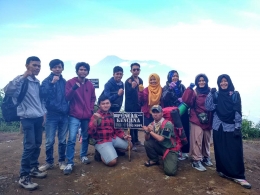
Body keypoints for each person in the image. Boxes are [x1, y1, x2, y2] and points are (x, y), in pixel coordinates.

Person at [4, 56, 47, 190]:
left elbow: (39, 100)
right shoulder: (21, 80)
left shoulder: (37, 82)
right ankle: (24, 177)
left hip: (38, 117)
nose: (37, 68)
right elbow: (8, 90)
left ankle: (34, 168)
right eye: (34, 65)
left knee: (37, 144)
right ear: (27, 65)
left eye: (39, 66)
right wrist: (23, 76)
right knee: (29, 146)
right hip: (26, 118)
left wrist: (43, 113)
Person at [205, 74, 251, 189]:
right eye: (221, 81)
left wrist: (237, 127)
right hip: (218, 126)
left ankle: (238, 176)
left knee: (234, 150)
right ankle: (222, 170)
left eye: (225, 81)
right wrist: (210, 94)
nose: (223, 83)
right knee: (220, 149)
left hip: (231, 126)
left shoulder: (235, 95)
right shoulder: (216, 95)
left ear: (229, 82)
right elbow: (209, 107)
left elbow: (237, 111)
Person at [64, 62, 96, 175]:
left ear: (87, 72)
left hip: (86, 115)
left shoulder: (90, 85)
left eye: (85, 70)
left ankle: (83, 156)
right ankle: (69, 162)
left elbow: (93, 98)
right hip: (74, 115)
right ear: (77, 71)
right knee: (72, 138)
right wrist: (74, 88)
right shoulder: (70, 82)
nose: (83, 71)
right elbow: (67, 97)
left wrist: (91, 109)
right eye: (81, 69)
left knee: (86, 136)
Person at [39, 59, 69, 171]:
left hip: (64, 115)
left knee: (62, 140)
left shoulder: (64, 82)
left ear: (62, 68)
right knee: (49, 140)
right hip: (51, 114)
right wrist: (52, 84)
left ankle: (62, 161)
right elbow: (42, 94)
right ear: (51, 68)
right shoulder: (46, 81)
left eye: (59, 67)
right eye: (55, 67)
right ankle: (49, 162)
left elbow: (68, 97)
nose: (57, 69)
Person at [88, 95, 132, 166]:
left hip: (112, 138)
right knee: (112, 162)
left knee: (130, 145)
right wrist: (95, 120)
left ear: (110, 104)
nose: (105, 105)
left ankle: (112, 150)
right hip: (101, 141)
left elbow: (117, 130)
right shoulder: (95, 115)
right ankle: (100, 154)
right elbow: (90, 131)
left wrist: (124, 136)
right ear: (99, 105)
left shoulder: (112, 114)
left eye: (107, 103)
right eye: (103, 104)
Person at [182, 73, 213, 171]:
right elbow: (186, 101)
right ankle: (196, 160)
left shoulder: (210, 91)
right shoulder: (195, 92)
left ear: (206, 81)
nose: (201, 82)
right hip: (196, 119)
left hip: (208, 119)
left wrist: (215, 94)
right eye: (199, 81)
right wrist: (189, 89)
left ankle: (205, 157)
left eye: (203, 80)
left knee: (206, 140)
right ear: (196, 82)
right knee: (197, 139)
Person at [161, 70, 189, 160]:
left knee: (183, 131)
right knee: (173, 131)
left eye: (176, 76)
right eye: (173, 76)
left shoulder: (182, 86)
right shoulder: (166, 87)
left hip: (182, 111)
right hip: (171, 113)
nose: (175, 78)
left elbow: (186, 97)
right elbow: (164, 98)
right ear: (169, 77)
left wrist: (183, 99)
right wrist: (169, 89)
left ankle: (184, 151)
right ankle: (174, 150)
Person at [143, 105, 178, 176]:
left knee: (170, 172)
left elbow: (161, 139)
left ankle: (172, 158)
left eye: (157, 112)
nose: (155, 114)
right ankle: (154, 160)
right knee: (147, 143)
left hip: (169, 148)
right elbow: (146, 139)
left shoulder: (168, 124)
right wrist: (147, 132)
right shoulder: (152, 124)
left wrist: (150, 131)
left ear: (162, 113)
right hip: (160, 146)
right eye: (153, 112)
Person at [124, 63, 143, 149]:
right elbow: (127, 95)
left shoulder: (141, 80)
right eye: (134, 69)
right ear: (131, 70)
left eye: (137, 69)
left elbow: (141, 92)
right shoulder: (128, 81)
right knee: (131, 125)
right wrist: (132, 87)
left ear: (139, 70)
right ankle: (132, 142)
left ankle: (136, 139)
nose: (136, 71)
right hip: (130, 106)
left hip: (138, 105)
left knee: (136, 124)